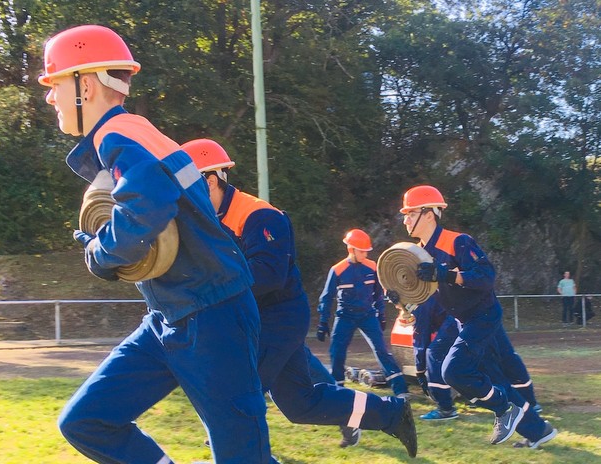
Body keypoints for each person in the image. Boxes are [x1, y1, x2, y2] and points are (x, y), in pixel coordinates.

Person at [40, 25, 275, 464]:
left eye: (54, 84)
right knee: (87, 421)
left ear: (85, 85)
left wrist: (100, 251)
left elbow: (145, 205)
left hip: (212, 314)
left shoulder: (119, 135)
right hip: (171, 315)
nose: (50, 97)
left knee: (243, 456)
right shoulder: (136, 132)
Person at [182, 138, 417, 457]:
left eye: (186, 185)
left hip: (278, 319)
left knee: (239, 395)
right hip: (252, 318)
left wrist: (209, 289)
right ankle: (392, 413)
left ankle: (243, 452)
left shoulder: (261, 217)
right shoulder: (205, 219)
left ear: (210, 180)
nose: (182, 197)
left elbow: (267, 275)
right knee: (300, 404)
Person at [398, 185, 556, 447]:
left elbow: (487, 277)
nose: (405, 219)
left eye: (410, 213)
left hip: (483, 316)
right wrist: (401, 300)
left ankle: (505, 410)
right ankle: (539, 432)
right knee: (495, 380)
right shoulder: (419, 254)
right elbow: (424, 299)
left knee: (454, 371)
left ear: (429, 214)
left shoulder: (458, 241)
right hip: (465, 321)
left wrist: (448, 274)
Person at [317, 229, 409, 398]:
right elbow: (327, 297)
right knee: (337, 352)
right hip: (345, 316)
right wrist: (323, 322)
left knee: (381, 350)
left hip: (368, 315)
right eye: (362, 251)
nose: (365, 254)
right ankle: (338, 390)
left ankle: (401, 390)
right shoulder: (337, 270)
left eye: (367, 251)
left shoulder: (372, 267)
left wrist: (381, 315)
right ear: (350, 249)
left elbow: (379, 293)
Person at [408, 294, 460, 421]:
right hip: (465, 316)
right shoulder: (424, 297)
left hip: (456, 320)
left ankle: (445, 408)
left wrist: (420, 372)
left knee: (433, 353)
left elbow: (421, 340)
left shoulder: (418, 305)